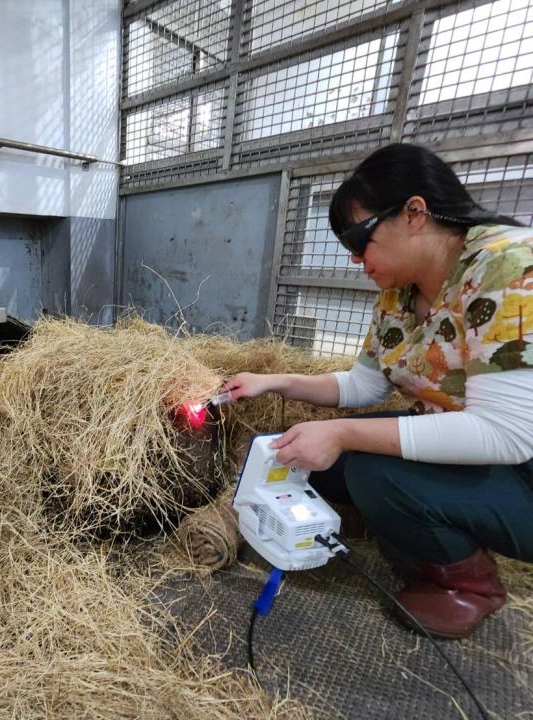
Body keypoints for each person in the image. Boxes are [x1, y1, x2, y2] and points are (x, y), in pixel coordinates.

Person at [223, 143, 533, 639]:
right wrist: (275, 381)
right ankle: (410, 524)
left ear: (415, 213)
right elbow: (364, 385)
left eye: (360, 238)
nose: (355, 257)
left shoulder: (509, 265)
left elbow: (508, 434)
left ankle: (467, 583)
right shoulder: (399, 290)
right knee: (306, 455)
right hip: (474, 451)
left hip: (522, 473)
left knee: (374, 469)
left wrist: (346, 435)